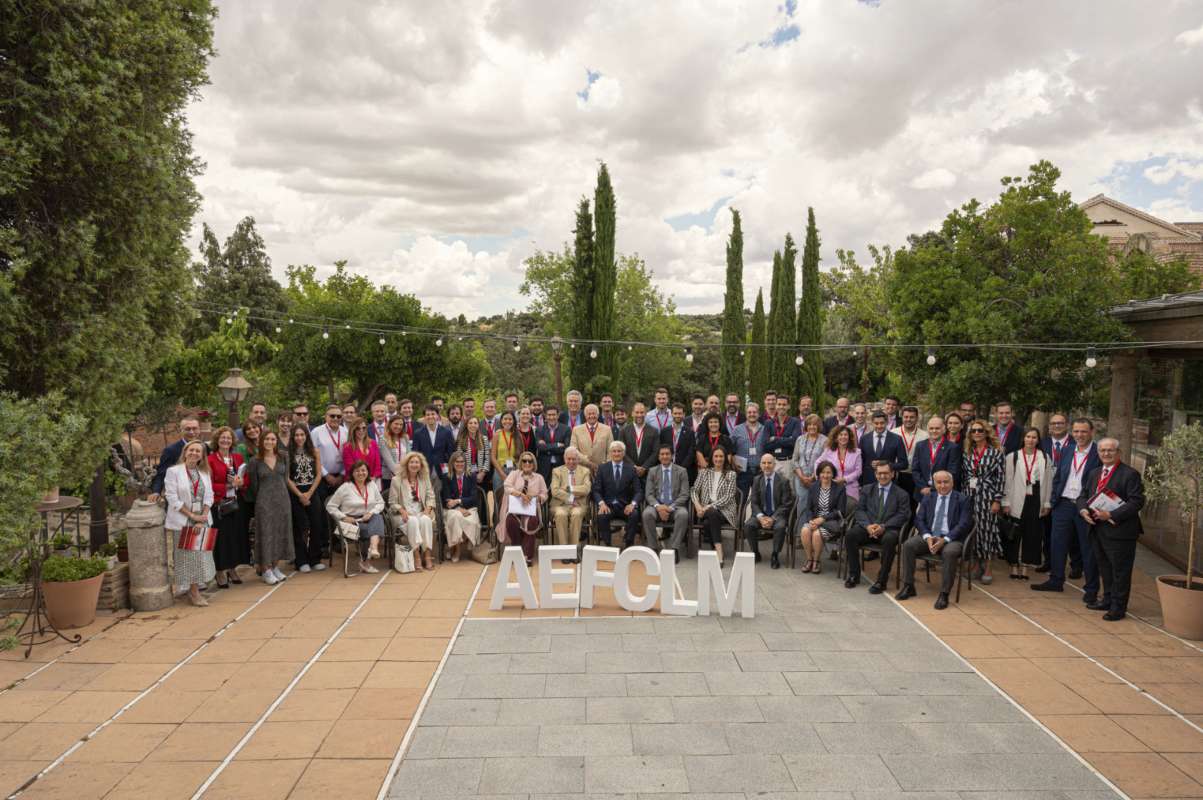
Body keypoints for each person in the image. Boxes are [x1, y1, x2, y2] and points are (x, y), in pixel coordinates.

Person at [1033, 418, 1102, 601]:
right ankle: (1056, 581)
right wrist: (1054, 499)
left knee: (1087, 549)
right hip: (1063, 504)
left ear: (1092, 432)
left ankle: (1091, 589)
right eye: (1076, 431)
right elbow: (1058, 477)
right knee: (1057, 545)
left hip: (1084, 507)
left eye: (1084, 432)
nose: (1079, 435)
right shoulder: (1067, 450)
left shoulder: (1098, 453)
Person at [1078, 438, 1144, 621]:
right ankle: (1107, 600)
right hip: (1097, 529)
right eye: (1102, 450)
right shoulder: (1094, 473)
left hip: (1120, 532)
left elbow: (1137, 501)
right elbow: (1083, 495)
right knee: (1105, 568)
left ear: (1118, 453)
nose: (1106, 454)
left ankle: (1118, 607)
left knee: (1120, 571)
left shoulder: (1130, 474)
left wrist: (1111, 514)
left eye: (1110, 450)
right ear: (1098, 453)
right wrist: (1083, 510)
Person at [896, 470, 973, 609]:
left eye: (946, 482)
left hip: (952, 538)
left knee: (949, 553)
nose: (942, 486)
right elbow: (919, 519)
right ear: (934, 484)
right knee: (908, 545)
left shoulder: (962, 499)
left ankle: (944, 593)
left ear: (952, 483)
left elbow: (964, 524)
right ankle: (909, 586)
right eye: (939, 482)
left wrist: (946, 539)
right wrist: (927, 536)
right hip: (930, 536)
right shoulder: (928, 497)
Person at [844, 462, 910, 592]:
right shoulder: (867, 489)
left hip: (889, 530)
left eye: (886, 473)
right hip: (868, 527)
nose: (882, 476)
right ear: (875, 474)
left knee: (889, 540)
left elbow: (903, 515)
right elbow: (859, 510)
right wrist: (868, 526)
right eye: (879, 473)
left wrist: (884, 526)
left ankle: (881, 581)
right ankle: (854, 575)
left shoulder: (902, 494)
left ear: (892, 474)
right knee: (851, 535)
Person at [165, 440, 214, 606]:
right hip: (184, 520)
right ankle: (193, 593)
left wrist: (203, 517)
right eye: (191, 450)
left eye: (198, 451)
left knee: (201, 556)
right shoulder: (174, 471)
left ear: (202, 456)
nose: (194, 453)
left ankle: (196, 586)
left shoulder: (205, 473)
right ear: (185, 452)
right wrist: (193, 516)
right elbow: (172, 498)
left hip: (203, 520)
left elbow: (209, 497)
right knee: (188, 557)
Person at [1002, 427, 1053, 580]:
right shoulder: (1013, 456)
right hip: (1017, 497)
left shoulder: (1044, 457)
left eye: (1034, 437)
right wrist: (1006, 501)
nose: (1031, 440)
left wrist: (1047, 503)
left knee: (1032, 534)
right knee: (1015, 533)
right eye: (1028, 437)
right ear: (1023, 439)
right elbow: (1007, 481)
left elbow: (1049, 482)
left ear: (1038, 440)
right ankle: (1013, 565)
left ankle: (1025, 565)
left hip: (1036, 499)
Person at [962, 421, 1005, 585]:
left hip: (987, 496)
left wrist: (997, 500)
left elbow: (1001, 478)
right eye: (973, 431)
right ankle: (974, 565)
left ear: (986, 432)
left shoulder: (996, 453)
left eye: (980, 430)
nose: (977, 433)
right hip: (969, 495)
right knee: (970, 529)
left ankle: (987, 567)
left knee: (986, 531)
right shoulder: (967, 451)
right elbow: (964, 475)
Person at [249, 430, 295, 585]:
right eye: (267, 439)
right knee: (266, 534)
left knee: (281, 532)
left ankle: (275, 566)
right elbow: (254, 486)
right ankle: (265, 569)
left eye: (273, 439)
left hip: (283, 500)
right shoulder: (255, 461)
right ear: (261, 441)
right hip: (264, 502)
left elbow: (286, 478)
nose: (270, 442)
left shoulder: (283, 456)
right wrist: (263, 498)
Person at [327, 460, 386, 574]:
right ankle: (366, 560)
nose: (361, 473)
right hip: (351, 521)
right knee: (372, 530)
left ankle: (373, 548)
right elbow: (331, 506)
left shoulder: (372, 485)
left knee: (377, 517)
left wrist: (371, 512)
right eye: (357, 471)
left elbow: (380, 503)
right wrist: (343, 517)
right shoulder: (345, 487)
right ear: (352, 473)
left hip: (368, 518)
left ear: (368, 472)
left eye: (363, 470)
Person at [208, 426, 249, 588]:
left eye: (228, 438)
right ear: (217, 440)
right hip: (220, 504)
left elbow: (246, 479)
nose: (226, 440)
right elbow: (209, 483)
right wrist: (226, 485)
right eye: (222, 438)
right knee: (221, 539)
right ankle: (220, 571)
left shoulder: (237, 457)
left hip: (236, 502)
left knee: (235, 536)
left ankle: (232, 568)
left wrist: (241, 483)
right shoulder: (210, 459)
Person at [286, 424, 327, 574]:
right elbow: (287, 478)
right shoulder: (287, 454)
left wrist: (309, 493)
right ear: (292, 437)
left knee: (317, 524)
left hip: (312, 491)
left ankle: (315, 558)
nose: (299, 438)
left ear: (306, 436)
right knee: (299, 526)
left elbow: (318, 474)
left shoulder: (314, 451)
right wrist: (300, 495)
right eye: (296, 435)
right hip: (295, 492)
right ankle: (301, 560)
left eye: (302, 435)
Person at [1037, 412, 1073, 574]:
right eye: (1053, 424)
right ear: (1049, 427)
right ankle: (1049, 561)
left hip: (1067, 493)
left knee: (1073, 535)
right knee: (1048, 530)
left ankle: (1076, 565)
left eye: (1060, 423)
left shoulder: (1075, 443)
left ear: (1067, 425)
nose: (1057, 426)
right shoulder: (1042, 443)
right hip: (1047, 491)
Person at [497, 451, 548, 566]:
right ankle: (517, 550)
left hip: (531, 510)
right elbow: (506, 487)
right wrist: (520, 494)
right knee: (510, 521)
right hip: (515, 509)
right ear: (521, 462)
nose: (527, 463)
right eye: (524, 461)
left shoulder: (539, 478)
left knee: (533, 522)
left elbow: (545, 494)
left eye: (530, 461)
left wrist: (537, 497)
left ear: (534, 464)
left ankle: (527, 556)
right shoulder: (514, 474)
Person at [744, 453, 794, 568]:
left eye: (769, 463)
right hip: (761, 515)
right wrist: (761, 517)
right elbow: (754, 502)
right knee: (748, 525)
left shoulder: (783, 481)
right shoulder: (757, 480)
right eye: (764, 463)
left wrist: (772, 518)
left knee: (780, 527)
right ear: (760, 465)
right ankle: (755, 552)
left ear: (774, 465)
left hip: (777, 515)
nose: (767, 466)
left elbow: (786, 505)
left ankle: (775, 554)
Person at [691, 446, 738, 565]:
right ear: (712, 458)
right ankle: (718, 551)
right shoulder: (704, 473)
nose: (718, 459)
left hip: (725, 510)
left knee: (709, 518)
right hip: (705, 510)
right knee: (711, 514)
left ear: (725, 458)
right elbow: (694, 490)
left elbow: (728, 497)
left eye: (721, 456)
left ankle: (717, 549)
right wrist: (697, 505)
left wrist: (706, 507)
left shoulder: (731, 474)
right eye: (716, 456)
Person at [390, 452, 437, 570]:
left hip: (420, 512)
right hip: (403, 515)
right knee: (413, 521)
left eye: (417, 462)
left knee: (426, 520)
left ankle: (427, 554)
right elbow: (392, 502)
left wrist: (428, 508)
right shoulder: (396, 480)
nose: (414, 465)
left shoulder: (424, 479)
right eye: (412, 462)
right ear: (406, 464)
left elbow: (431, 497)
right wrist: (401, 510)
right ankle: (416, 555)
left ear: (421, 465)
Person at [798, 461, 846, 574]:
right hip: (814, 520)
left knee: (816, 534)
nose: (825, 475)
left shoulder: (839, 488)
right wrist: (811, 520)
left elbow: (840, 511)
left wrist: (822, 519)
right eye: (823, 472)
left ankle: (816, 561)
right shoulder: (813, 487)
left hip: (830, 522)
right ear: (819, 474)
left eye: (828, 472)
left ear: (833, 474)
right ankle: (809, 559)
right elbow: (808, 507)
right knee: (805, 530)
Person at [594, 441, 643, 548]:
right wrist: (601, 504)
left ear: (623, 453)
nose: (616, 454)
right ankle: (608, 545)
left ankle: (628, 544)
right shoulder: (602, 468)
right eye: (614, 451)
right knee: (601, 515)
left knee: (634, 514)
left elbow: (638, 491)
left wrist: (633, 504)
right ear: (610, 453)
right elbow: (596, 490)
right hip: (608, 506)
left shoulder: (631, 469)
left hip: (625, 506)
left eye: (619, 451)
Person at [642, 444, 690, 554]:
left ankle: (674, 548)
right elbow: (649, 494)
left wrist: (670, 508)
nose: (665, 456)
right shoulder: (652, 471)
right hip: (657, 506)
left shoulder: (682, 471)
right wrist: (659, 507)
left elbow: (684, 494)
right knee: (647, 514)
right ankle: (653, 547)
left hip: (676, 507)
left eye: (667, 454)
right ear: (658, 457)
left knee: (683, 515)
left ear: (672, 456)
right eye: (662, 454)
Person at [550, 447, 592, 557]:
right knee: (560, 514)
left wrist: (569, 488)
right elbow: (554, 491)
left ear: (578, 460)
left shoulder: (585, 471)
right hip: (561, 504)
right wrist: (571, 498)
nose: (571, 462)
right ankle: (565, 551)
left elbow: (586, 489)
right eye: (569, 459)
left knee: (576, 514)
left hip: (579, 505)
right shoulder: (557, 471)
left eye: (574, 459)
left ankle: (574, 550)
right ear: (564, 459)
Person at [150, 416, 203, 499]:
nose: (192, 432)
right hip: (177, 498)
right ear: (181, 431)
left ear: (199, 430)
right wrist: (156, 492)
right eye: (188, 429)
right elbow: (161, 473)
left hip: (200, 496)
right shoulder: (171, 450)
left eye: (195, 428)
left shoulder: (205, 448)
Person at [441, 452, 481, 562]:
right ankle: (457, 548)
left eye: (462, 461)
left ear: (465, 463)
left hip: (469, 508)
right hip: (452, 509)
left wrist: (459, 501)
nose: (460, 464)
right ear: (452, 463)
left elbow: (473, 498)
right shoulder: (447, 477)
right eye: (457, 461)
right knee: (455, 517)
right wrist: (458, 508)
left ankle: (453, 547)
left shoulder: (471, 476)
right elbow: (447, 499)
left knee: (470, 521)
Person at [912, 416, 962, 498]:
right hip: (923, 492)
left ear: (944, 429)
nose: (934, 431)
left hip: (944, 491)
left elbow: (953, 472)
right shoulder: (920, 445)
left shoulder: (952, 448)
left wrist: (933, 488)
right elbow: (915, 470)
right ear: (927, 429)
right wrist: (923, 487)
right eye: (931, 428)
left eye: (937, 428)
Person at [310, 404, 348, 504]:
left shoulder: (346, 432)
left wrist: (342, 474)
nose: (335, 418)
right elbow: (312, 456)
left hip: (342, 478)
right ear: (326, 416)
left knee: (341, 507)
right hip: (322, 478)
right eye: (332, 416)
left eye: (339, 416)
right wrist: (326, 475)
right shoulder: (316, 432)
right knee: (323, 508)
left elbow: (350, 455)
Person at [858, 411, 908, 487]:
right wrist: (860, 483)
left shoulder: (897, 439)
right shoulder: (864, 439)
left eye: (882, 423)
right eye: (876, 423)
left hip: (889, 482)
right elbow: (860, 462)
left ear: (887, 422)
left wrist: (887, 464)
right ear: (872, 423)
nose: (879, 426)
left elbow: (904, 464)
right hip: (868, 483)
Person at [412, 404, 456, 486]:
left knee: (441, 494)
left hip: (442, 469)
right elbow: (415, 453)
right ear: (424, 417)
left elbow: (451, 452)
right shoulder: (418, 433)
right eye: (427, 415)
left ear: (437, 416)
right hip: (424, 469)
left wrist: (449, 466)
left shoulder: (446, 432)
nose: (430, 416)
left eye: (433, 414)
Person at [815, 425, 863, 500]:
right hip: (832, 488)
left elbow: (858, 471)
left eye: (845, 435)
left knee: (850, 510)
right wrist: (820, 478)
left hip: (851, 489)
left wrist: (844, 479)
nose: (843, 437)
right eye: (840, 435)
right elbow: (817, 463)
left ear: (849, 437)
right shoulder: (829, 451)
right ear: (836, 437)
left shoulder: (857, 452)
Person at [732, 403, 768, 497]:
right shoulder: (737, 429)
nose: (752, 414)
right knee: (741, 499)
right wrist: (733, 463)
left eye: (754, 412)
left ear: (758, 414)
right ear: (746, 414)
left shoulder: (765, 429)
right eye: (749, 412)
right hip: (743, 470)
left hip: (761, 470)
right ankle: (741, 512)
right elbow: (729, 448)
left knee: (760, 499)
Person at [891, 406, 928, 495]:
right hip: (897, 474)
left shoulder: (925, 435)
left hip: (915, 475)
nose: (909, 419)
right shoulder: (893, 433)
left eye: (912, 417)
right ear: (902, 417)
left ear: (917, 418)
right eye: (906, 417)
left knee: (913, 504)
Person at [790, 413, 827, 502]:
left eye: (814, 425)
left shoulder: (825, 440)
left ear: (819, 426)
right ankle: (801, 517)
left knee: (815, 503)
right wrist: (802, 477)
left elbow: (825, 462)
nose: (812, 427)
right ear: (806, 426)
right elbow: (794, 460)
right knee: (802, 502)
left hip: (817, 478)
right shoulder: (800, 439)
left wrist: (813, 477)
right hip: (800, 478)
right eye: (809, 424)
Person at [570, 404, 613, 474]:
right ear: (585, 415)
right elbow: (574, 450)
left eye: (594, 413)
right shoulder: (576, 430)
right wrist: (588, 463)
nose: (591, 416)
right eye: (589, 414)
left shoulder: (607, 429)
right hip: (582, 469)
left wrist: (605, 466)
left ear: (598, 415)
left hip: (602, 470)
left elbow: (610, 450)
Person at [621, 402, 659, 482]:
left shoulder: (654, 431)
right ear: (632, 413)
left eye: (642, 412)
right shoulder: (624, 431)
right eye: (637, 412)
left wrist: (644, 467)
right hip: (629, 472)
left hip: (648, 473)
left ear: (645, 414)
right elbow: (621, 451)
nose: (639, 415)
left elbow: (655, 452)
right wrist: (633, 466)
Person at [660, 402, 697, 484]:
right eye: (675, 413)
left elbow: (691, 452)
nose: (677, 415)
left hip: (685, 469)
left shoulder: (690, 432)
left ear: (684, 414)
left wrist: (681, 468)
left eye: (680, 413)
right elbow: (661, 450)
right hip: (667, 468)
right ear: (671, 414)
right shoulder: (664, 431)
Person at [491, 410, 523, 497]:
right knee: (499, 497)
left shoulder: (518, 435)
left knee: (513, 498)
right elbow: (493, 457)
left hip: (514, 470)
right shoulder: (497, 434)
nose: (507, 421)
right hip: (500, 469)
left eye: (510, 419)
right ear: (501, 421)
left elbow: (522, 455)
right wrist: (501, 473)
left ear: (514, 421)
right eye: (505, 419)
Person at [342, 419, 382, 485]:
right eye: (358, 428)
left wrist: (374, 478)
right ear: (353, 430)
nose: (361, 430)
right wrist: (366, 480)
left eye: (364, 428)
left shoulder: (373, 443)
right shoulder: (347, 447)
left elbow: (377, 465)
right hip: (355, 482)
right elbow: (350, 468)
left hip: (374, 481)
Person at [534, 406, 569, 482]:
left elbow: (566, 448)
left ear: (558, 415)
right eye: (549, 415)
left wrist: (546, 446)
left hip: (560, 464)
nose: (551, 417)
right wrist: (556, 445)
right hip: (543, 466)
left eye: (554, 415)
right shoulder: (539, 430)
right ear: (545, 416)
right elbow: (540, 448)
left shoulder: (566, 429)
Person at [379, 415, 411, 498]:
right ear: (390, 424)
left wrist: (408, 473)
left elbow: (409, 456)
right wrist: (401, 475)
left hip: (405, 476)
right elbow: (389, 462)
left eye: (401, 425)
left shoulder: (405, 437)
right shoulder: (383, 439)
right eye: (396, 424)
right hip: (390, 477)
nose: (398, 427)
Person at [457, 415, 490, 492]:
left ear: (478, 425)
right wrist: (466, 473)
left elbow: (487, 458)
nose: (473, 425)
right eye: (470, 423)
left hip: (481, 474)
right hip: (465, 474)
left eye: (475, 423)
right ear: (466, 425)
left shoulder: (484, 439)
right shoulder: (461, 440)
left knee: (481, 496)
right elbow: (459, 458)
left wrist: (482, 473)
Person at [765, 396, 800, 464]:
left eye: (784, 405)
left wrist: (775, 439)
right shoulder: (768, 423)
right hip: (772, 462)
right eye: (779, 404)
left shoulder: (795, 422)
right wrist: (788, 439)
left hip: (788, 462)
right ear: (776, 406)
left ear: (788, 406)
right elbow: (765, 444)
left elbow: (794, 442)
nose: (781, 407)